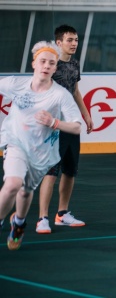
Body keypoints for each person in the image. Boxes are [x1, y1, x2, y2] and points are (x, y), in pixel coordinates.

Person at [0, 41, 82, 250]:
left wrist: (54, 122)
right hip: (16, 143)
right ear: (34, 64)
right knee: (12, 184)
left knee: (25, 192)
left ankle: (19, 223)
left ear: (55, 69)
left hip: (41, 153)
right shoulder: (15, 84)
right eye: (43, 61)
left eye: (51, 63)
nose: (46, 66)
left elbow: (76, 127)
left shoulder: (60, 95)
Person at [35, 25, 93, 234]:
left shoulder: (75, 64)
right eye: (70, 40)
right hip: (52, 126)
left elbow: (75, 91)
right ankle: (42, 218)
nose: (74, 43)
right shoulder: (50, 64)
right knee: (51, 172)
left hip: (71, 125)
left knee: (70, 170)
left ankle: (62, 213)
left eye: (76, 40)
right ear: (59, 42)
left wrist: (86, 114)